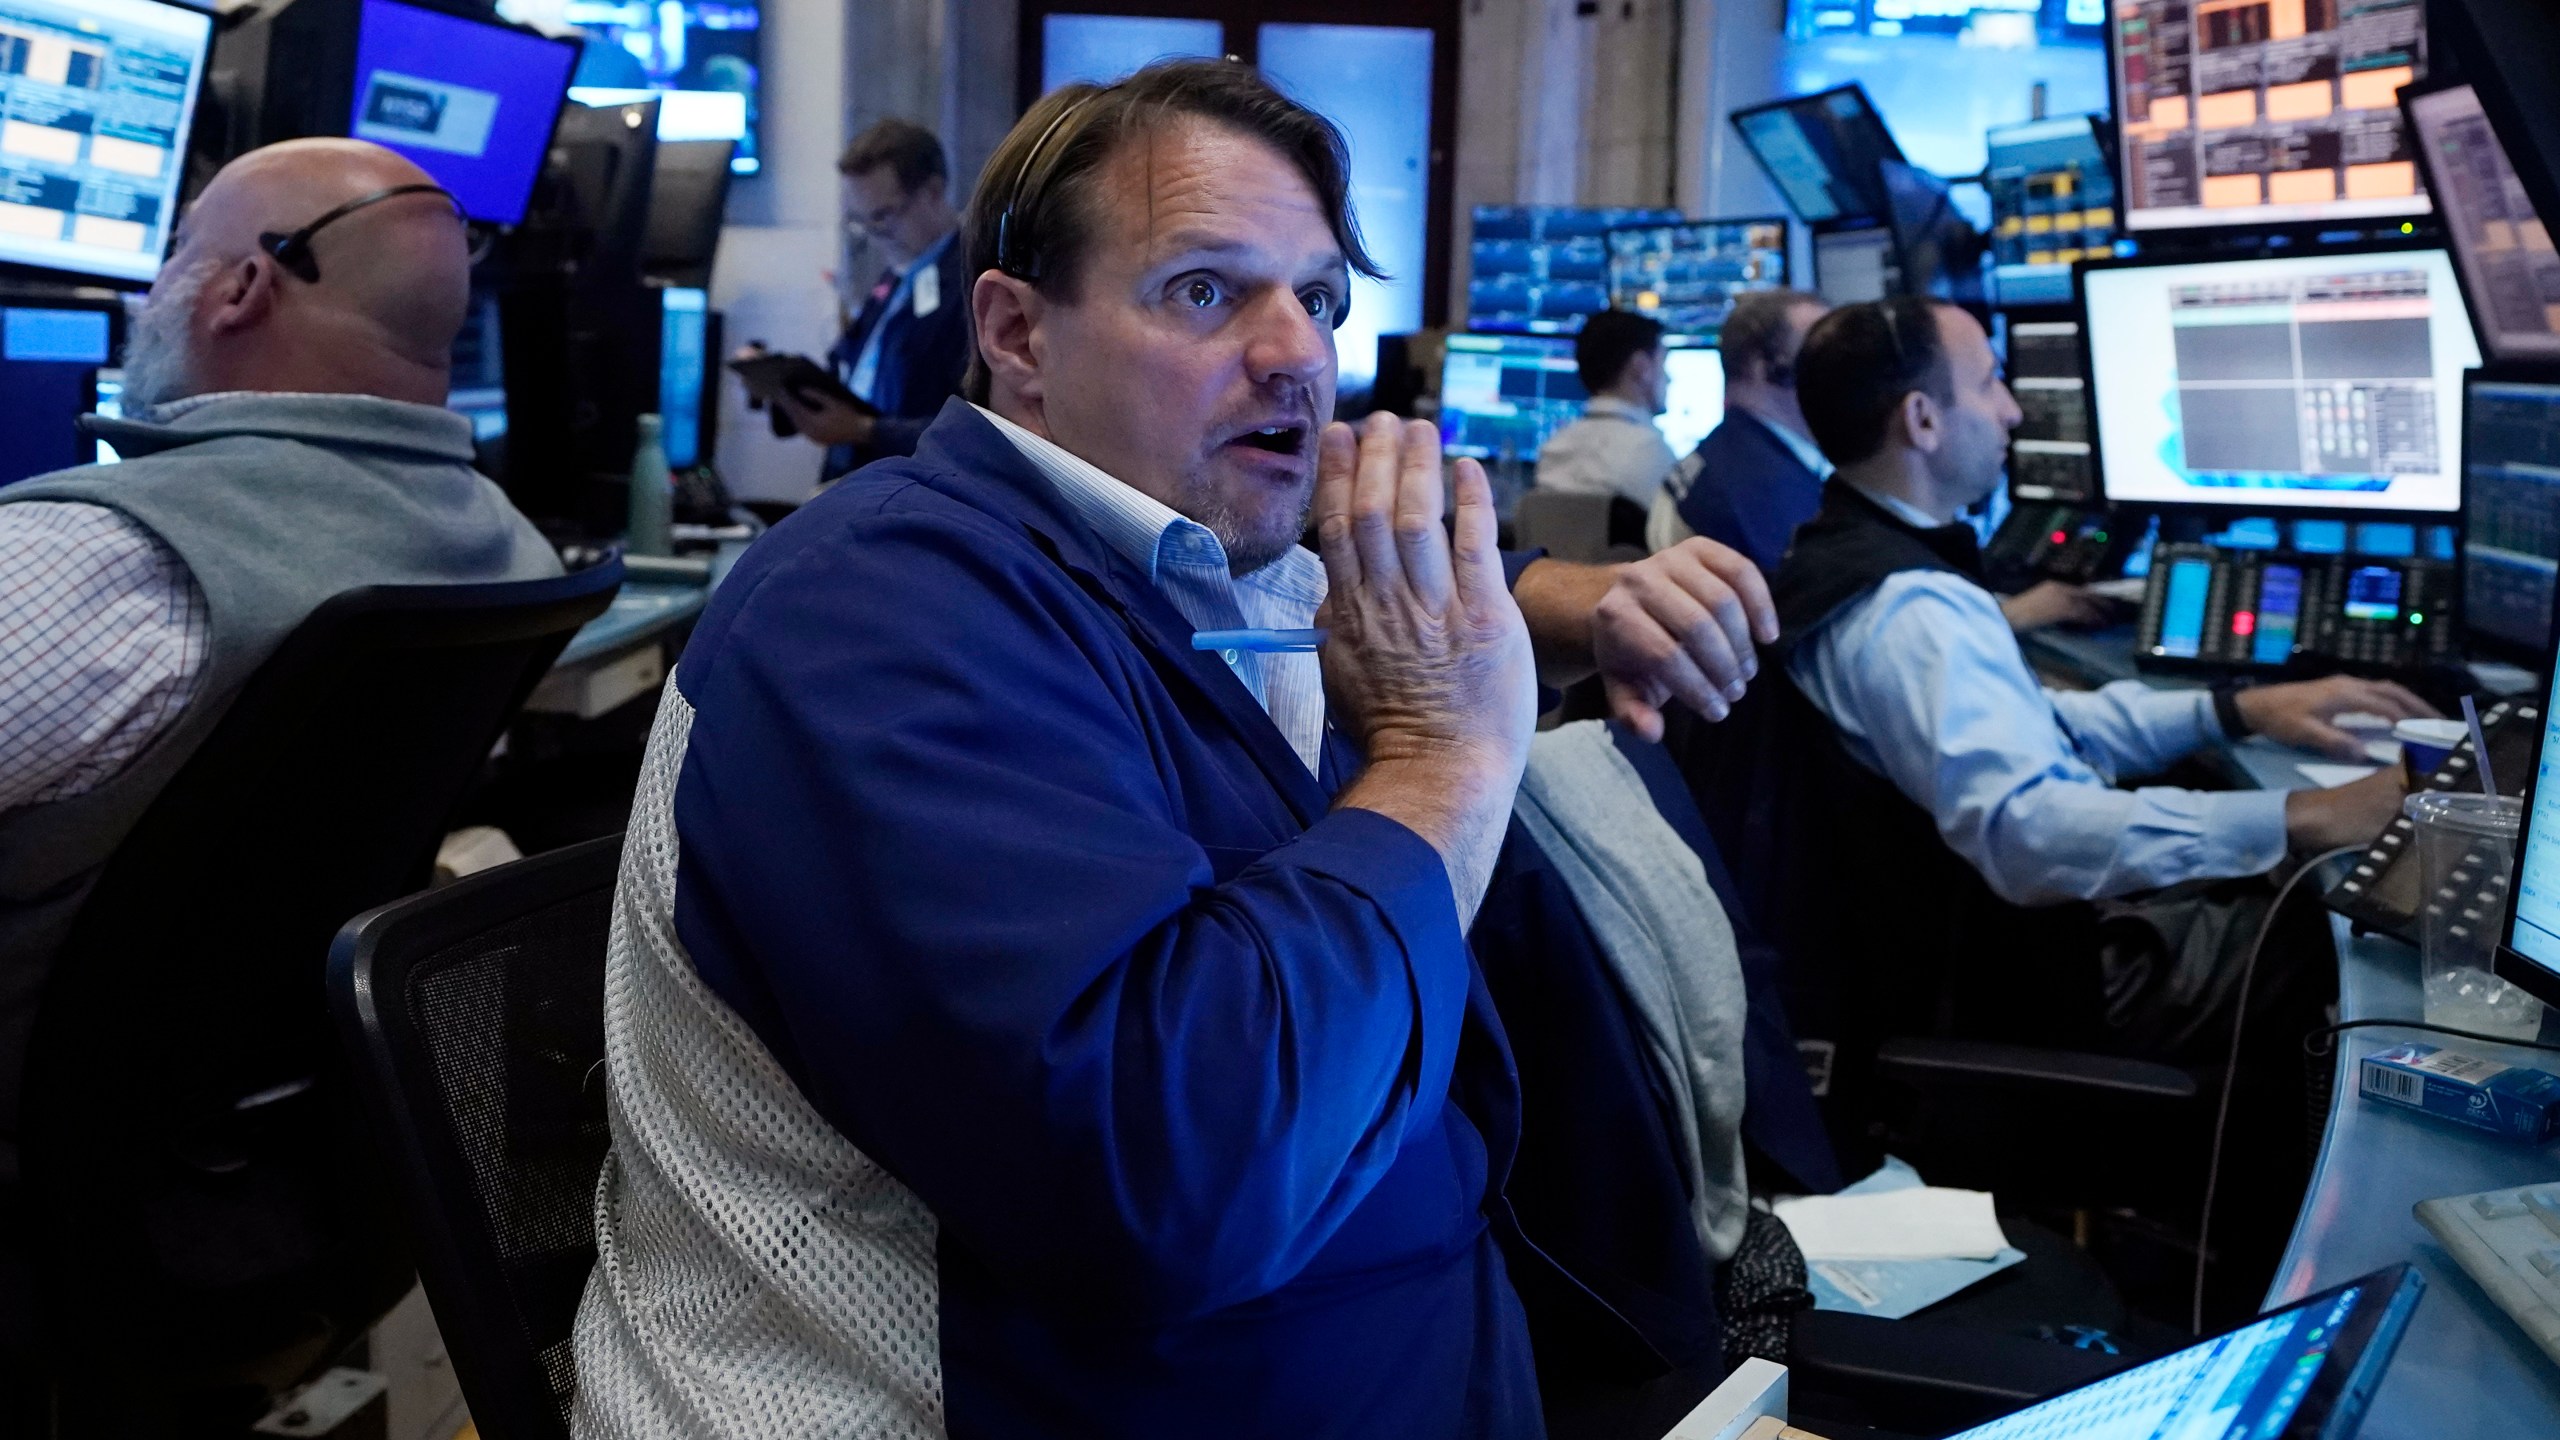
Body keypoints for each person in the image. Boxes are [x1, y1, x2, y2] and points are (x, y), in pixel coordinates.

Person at [570, 60, 1789, 1439]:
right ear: (1018, 335)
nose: (1300, 357)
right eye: (1205, 291)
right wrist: (1443, 756)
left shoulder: (1186, 556)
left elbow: (1305, 595)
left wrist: (1559, 608)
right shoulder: (875, 611)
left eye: (1318, 298)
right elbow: (1168, 1184)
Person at [0, 138, 558, 1169]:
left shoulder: (93, 558)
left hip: (38, 1173)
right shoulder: (503, 542)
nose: (145, 298)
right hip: (250, 1171)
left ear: (241, 288)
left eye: (172, 258)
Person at [1768, 296, 2426, 1066]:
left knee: (2261, 876)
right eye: (1989, 384)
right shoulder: (1913, 611)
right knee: (2324, 938)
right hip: (2027, 993)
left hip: (1974, 953)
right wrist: (2310, 815)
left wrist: (2237, 709)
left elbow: (2039, 724)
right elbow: (2030, 831)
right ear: (1921, 419)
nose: (2012, 411)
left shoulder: (1854, 559)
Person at [1654, 288, 2109, 633]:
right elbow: (1829, 627)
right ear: (1767, 367)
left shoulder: (1734, 456)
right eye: (1816, 347)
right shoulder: (1761, 489)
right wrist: (2008, 615)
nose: (1835, 363)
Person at [758, 118, 972, 483]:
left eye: (884, 216)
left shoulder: (971, 283)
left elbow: (969, 431)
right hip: (853, 484)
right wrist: (781, 386)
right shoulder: (894, 277)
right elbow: (847, 373)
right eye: (862, 221)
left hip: (916, 495)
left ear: (933, 191)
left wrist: (865, 430)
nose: (875, 235)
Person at [1649, 289, 1828, 567]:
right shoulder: (1765, 498)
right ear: (1762, 366)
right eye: (1818, 350)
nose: (1840, 367)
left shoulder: (1726, 455)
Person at [1535, 308, 1675, 512]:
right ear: (1641, 367)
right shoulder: (1648, 451)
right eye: (1663, 365)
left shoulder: (1552, 452)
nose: (1669, 378)